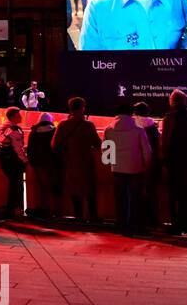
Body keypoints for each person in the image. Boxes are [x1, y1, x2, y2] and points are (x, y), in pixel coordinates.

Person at [104, 103, 152, 235]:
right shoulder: (138, 129)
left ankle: (121, 224)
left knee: (120, 199)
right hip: (135, 169)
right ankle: (134, 225)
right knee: (135, 199)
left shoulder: (109, 129)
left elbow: (106, 152)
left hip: (117, 170)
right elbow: (147, 151)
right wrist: (145, 166)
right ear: (131, 114)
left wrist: (112, 165)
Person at [160, 89, 187, 235]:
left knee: (174, 195)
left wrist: (164, 160)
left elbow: (166, 142)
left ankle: (177, 225)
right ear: (185, 101)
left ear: (171, 102)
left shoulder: (169, 118)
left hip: (175, 162)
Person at [54, 96, 100, 223]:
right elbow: (98, 144)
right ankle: (93, 217)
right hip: (86, 162)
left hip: (70, 163)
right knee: (90, 191)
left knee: (75, 191)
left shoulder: (63, 125)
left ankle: (78, 217)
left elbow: (54, 144)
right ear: (83, 108)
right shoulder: (89, 125)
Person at [132, 102, 162, 228]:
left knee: (136, 192)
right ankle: (153, 219)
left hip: (135, 163)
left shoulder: (132, 125)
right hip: (152, 164)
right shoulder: (152, 127)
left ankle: (138, 219)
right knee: (151, 193)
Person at [26, 113, 60, 219]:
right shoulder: (54, 131)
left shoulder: (34, 132)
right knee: (55, 187)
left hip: (39, 164)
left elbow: (30, 149)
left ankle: (46, 210)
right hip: (53, 163)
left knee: (44, 188)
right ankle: (57, 211)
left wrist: (32, 163)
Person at [0, 107, 28, 219]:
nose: (20, 117)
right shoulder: (15, 130)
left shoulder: (3, 126)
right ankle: (15, 210)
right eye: (18, 115)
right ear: (12, 117)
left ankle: (11, 210)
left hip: (4, 159)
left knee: (12, 185)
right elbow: (18, 149)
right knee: (17, 186)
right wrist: (25, 160)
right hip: (14, 161)